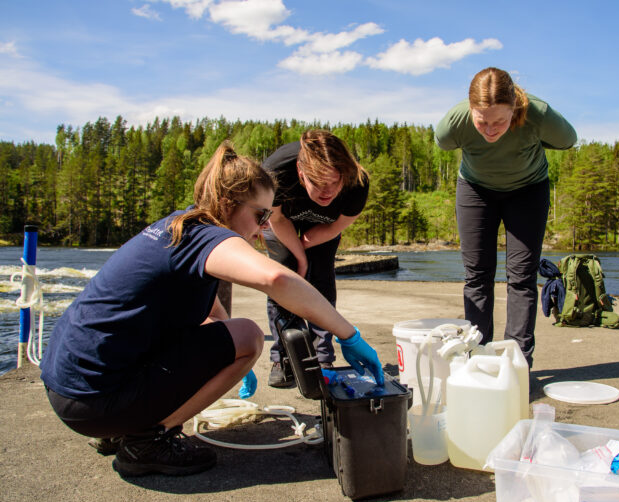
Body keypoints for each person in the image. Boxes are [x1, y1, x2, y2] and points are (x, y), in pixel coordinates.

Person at [40, 141, 384, 478]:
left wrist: (222, 360)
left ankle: (121, 428)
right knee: (249, 336)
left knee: (233, 335)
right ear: (226, 203)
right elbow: (277, 279)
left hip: (69, 388)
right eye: (259, 214)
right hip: (92, 401)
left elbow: (208, 309)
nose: (264, 226)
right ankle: (145, 441)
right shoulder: (207, 237)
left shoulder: (180, 225)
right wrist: (348, 335)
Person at [435, 67, 577, 368]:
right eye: (482, 121)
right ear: (470, 109)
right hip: (475, 191)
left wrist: (536, 137)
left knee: (522, 277)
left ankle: (518, 364)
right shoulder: (455, 123)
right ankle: (477, 359)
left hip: (528, 191)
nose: (489, 130)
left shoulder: (537, 113)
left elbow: (567, 140)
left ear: (515, 107)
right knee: (477, 276)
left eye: (500, 121)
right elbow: (443, 143)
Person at [261, 129, 369, 388]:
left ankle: (322, 358)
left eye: (334, 182)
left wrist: (307, 254)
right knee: (282, 281)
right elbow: (277, 219)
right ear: (300, 173)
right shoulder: (275, 174)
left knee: (321, 280)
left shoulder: (357, 183)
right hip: (282, 222)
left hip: (323, 227)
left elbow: (333, 228)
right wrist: (299, 257)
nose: (327, 191)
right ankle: (284, 357)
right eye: (318, 183)